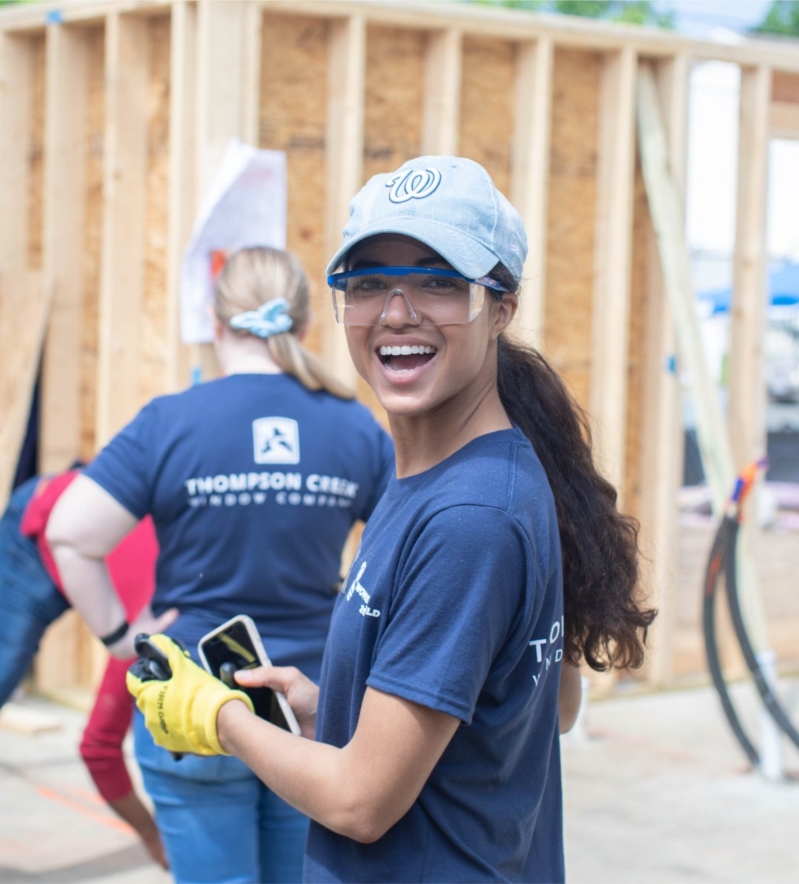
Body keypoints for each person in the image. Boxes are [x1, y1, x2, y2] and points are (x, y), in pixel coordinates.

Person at [127, 156, 655, 882]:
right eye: (369, 282)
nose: (398, 312)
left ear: (501, 306)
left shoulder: (470, 518)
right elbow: (531, 714)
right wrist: (328, 713)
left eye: (439, 282)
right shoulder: (436, 480)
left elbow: (360, 804)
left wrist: (218, 719)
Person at [47, 246, 395, 883]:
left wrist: (123, 641)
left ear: (214, 320)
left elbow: (68, 535)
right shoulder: (355, 427)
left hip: (196, 700)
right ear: (306, 325)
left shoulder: (172, 422)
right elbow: (406, 558)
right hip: (312, 707)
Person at [0, 467, 166, 883]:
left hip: (105, 552)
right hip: (40, 533)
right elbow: (99, 747)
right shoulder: (150, 627)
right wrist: (151, 834)